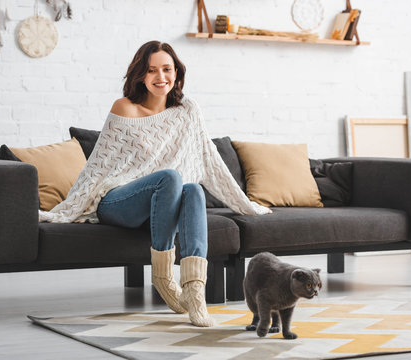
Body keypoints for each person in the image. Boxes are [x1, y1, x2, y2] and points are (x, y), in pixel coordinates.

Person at [39, 40, 271, 327]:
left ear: (177, 73)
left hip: (160, 204)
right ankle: (163, 277)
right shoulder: (125, 108)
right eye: (151, 71)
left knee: (193, 189)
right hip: (115, 202)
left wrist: (245, 204)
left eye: (166, 69)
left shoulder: (187, 110)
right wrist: (69, 208)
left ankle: (195, 292)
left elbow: (210, 162)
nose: (161, 77)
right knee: (172, 176)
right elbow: (97, 167)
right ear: (140, 75)